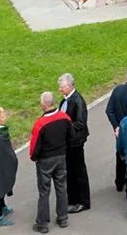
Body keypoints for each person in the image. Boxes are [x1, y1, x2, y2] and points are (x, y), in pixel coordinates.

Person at [29, 90, 72, 233]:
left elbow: (34, 146)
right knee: (61, 187)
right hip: (61, 157)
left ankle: (42, 222)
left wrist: (34, 157)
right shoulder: (65, 118)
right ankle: (63, 217)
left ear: (43, 105)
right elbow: (71, 136)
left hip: (45, 160)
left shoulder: (40, 124)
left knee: (44, 191)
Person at [57, 74, 90, 213]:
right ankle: (73, 198)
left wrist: (65, 127)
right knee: (70, 170)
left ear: (70, 86)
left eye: (62, 86)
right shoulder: (65, 100)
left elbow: (80, 123)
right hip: (68, 142)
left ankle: (83, 201)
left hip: (75, 141)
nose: (59, 89)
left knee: (78, 171)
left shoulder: (78, 101)